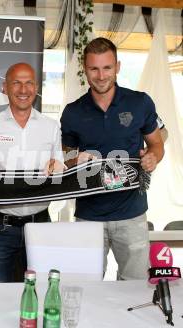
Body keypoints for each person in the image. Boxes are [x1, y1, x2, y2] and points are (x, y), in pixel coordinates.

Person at [60, 37, 164, 280]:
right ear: (85, 69)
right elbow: (64, 157)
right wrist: (76, 159)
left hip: (132, 214)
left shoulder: (140, 103)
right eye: (94, 68)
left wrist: (152, 157)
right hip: (88, 215)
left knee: (135, 287)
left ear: (117, 67)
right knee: (86, 286)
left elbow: (157, 144)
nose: (101, 75)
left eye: (107, 67)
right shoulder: (73, 112)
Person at [0, 63, 64, 282]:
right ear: (5, 87)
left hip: (40, 224)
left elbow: (60, 169)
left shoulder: (51, 126)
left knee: (41, 289)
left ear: (36, 87)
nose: (23, 90)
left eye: (29, 83)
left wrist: (58, 166)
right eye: (16, 83)